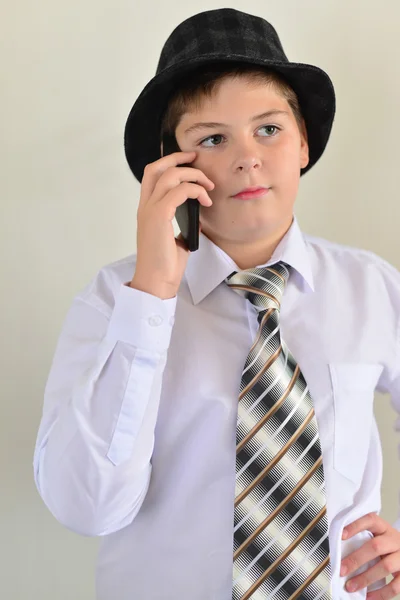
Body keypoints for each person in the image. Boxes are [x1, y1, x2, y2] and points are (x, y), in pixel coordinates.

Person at [33, 8, 400, 600]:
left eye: (269, 129)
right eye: (211, 138)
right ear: (172, 163)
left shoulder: (374, 290)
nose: (246, 158)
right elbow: (87, 507)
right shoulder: (113, 301)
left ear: (303, 139)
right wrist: (151, 295)